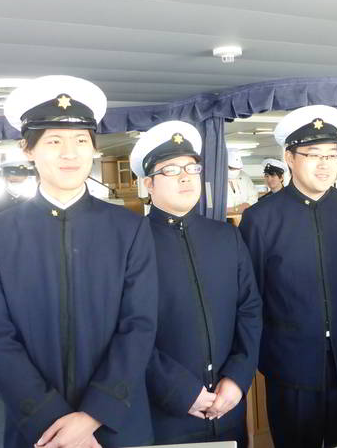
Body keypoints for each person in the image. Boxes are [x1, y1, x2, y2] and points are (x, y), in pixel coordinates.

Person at [0, 75, 158, 448]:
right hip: (38, 427)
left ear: (94, 148)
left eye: (81, 141)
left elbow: (139, 325)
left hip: (116, 418)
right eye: (54, 141)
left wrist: (93, 416)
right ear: (27, 149)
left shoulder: (130, 229)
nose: (70, 154)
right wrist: (52, 421)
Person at [239, 105, 337, 448]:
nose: (325, 164)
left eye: (332, 155)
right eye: (313, 154)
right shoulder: (261, 218)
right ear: (290, 157)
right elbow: (253, 292)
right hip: (290, 362)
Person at [130, 120, 262, 446]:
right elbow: (124, 330)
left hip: (228, 403)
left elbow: (249, 310)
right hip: (166, 409)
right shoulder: (130, 244)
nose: (186, 177)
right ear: (148, 184)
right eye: (171, 170)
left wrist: (237, 377)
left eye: (192, 168)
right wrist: (180, 390)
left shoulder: (226, 237)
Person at [226, 149, 258, 216]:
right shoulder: (213, 180)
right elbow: (210, 205)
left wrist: (234, 209)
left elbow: (253, 198)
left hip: (243, 217)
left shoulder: (244, 176)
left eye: (238, 169)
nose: (235, 171)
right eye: (232, 168)